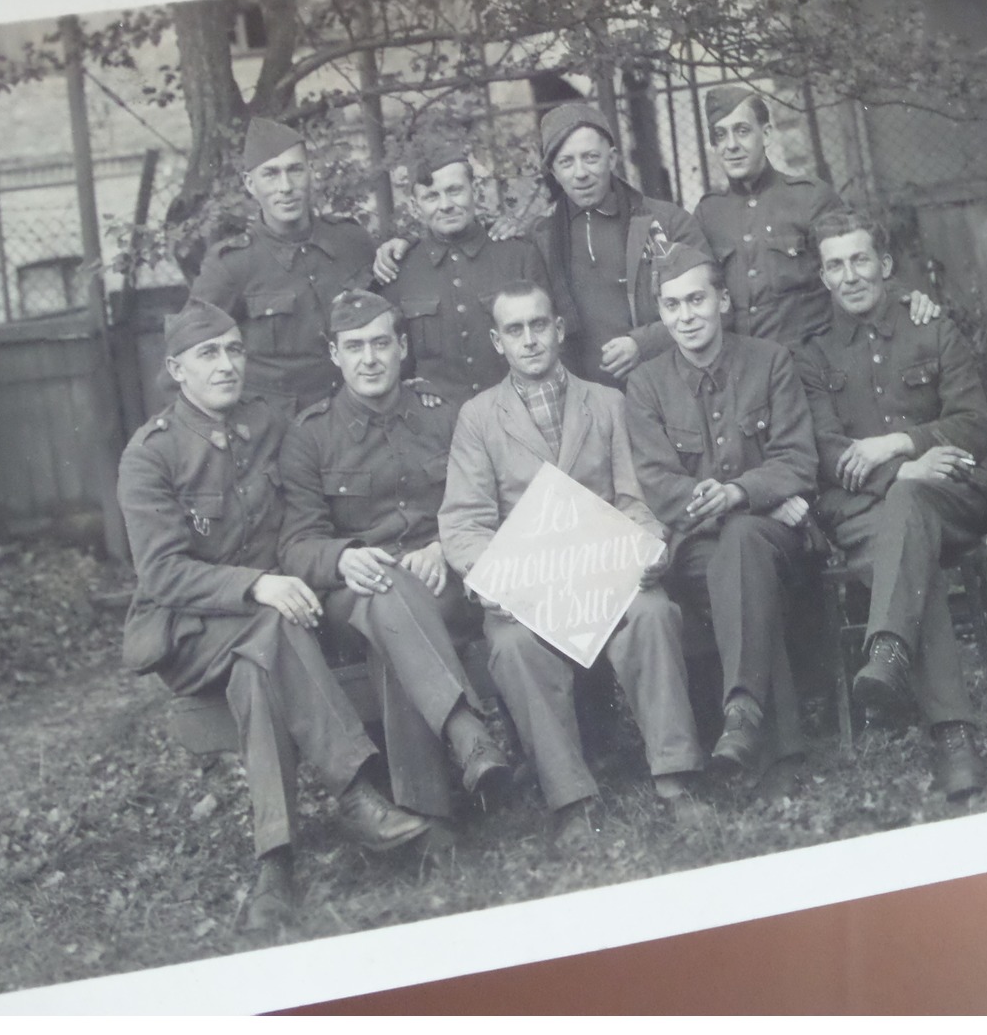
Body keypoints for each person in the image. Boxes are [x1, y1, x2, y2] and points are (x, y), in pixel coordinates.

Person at [116, 298, 431, 934]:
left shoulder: (267, 424)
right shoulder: (150, 454)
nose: (227, 364)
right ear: (177, 370)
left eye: (235, 350)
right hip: (191, 631)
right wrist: (258, 584)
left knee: (259, 667)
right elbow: (163, 574)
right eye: (209, 354)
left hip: (269, 631)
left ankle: (276, 865)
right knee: (271, 628)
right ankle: (353, 793)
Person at [438, 279, 707, 848]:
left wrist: (647, 543)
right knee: (511, 647)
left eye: (540, 325)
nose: (530, 340)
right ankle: (571, 801)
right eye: (515, 330)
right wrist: (495, 581)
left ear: (559, 329)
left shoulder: (607, 402)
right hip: (530, 586)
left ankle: (676, 777)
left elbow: (634, 496)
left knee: (653, 614)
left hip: (603, 573)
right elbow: (464, 521)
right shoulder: (479, 418)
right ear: (497, 341)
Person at [279, 289, 511, 836]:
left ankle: (430, 821)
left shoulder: (446, 415)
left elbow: (489, 503)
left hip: (441, 584)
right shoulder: (309, 436)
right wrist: (342, 557)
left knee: (397, 626)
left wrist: (445, 549)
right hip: (355, 597)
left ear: (402, 347)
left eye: (381, 343)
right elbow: (295, 544)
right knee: (386, 593)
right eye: (354, 346)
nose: (369, 358)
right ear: (335, 355)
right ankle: (468, 735)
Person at [795, 210, 987, 801]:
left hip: (954, 493)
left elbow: (975, 425)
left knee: (911, 509)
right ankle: (954, 737)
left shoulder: (932, 329)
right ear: (822, 276)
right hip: (864, 509)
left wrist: (902, 444)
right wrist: (901, 474)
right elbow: (824, 448)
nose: (850, 275)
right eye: (835, 265)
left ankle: (889, 648)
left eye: (860, 259)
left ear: (885, 265)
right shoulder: (813, 357)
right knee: (907, 535)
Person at [624, 241, 819, 780]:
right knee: (736, 556)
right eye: (671, 306)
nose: (685, 317)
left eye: (696, 300)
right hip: (698, 543)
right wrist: (742, 505)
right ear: (660, 314)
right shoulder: (644, 386)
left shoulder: (770, 362)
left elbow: (798, 459)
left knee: (742, 552)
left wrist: (738, 494)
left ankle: (743, 720)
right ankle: (768, 737)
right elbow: (660, 483)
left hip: (775, 540)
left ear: (723, 301)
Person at [694, 86, 941, 348]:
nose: (731, 145)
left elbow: (855, 259)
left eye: (742, 131)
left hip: (808, 363)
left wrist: (905, 298)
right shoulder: (708, 214)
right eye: (721, 136)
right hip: (743, 368)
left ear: (765, 134)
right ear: (714, 145)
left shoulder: (809, 198)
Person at [368, 141, 577, 408]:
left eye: (454, 191)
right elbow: (391, 360)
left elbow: (556, 341)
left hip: (517, 412)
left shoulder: (518, 255)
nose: (445, 205)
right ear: (414, 205)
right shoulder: (400, 270)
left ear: (475, 190)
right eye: (432, 196)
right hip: (440, 425)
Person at [191, 117, 376, 415]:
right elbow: (190, 352)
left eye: (295, 170)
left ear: (311, 173)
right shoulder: (232, 265)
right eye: (271, 174)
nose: (286, 186)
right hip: (278, 429)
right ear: (250, 184)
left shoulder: (351, 242)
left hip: (358, 416)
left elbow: (392, 320)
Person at [528, 101, 710, 387]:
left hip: (668, 386)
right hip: (585, 402)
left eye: (590, 157)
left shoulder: (666, 221)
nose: (580, 173)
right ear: (553, 170)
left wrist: (644, 344)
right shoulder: (540, 238)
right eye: (566, 162)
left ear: (612, 159)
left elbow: (712, 305)